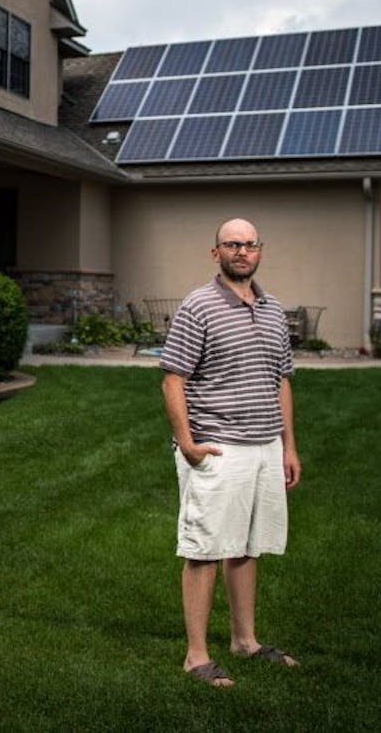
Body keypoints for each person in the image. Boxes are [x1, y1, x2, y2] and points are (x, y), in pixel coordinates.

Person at [159, 218, 301, 688]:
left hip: (264, 447)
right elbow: (173, 377)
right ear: (215, 252)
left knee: (246, 546)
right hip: (218, 448)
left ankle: (245, 641)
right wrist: (187, 444)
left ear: (261, 250)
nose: (242, 251)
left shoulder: (274, 308)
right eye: (232, 244)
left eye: (250, 244)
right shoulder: (198, 306)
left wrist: (288, 446)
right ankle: (196, 657)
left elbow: (281, 379)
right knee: (204, 549)